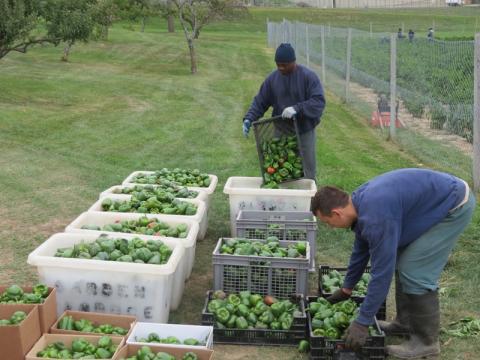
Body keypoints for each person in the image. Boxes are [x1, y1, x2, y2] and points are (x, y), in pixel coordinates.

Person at [310, 168, 475, 358]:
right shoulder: (358, 203)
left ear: (337, 213)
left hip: (453, 206)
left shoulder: (376, 216)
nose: (330, 227)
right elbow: (360, 250)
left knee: (415, 271)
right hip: (433, 200)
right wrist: (347, 288)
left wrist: (362, 322)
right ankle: (404, 323)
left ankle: (427, 342)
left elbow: (382, 273)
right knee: (402, 262)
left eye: (328, 222)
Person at [242, 43, 326, 181]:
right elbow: (260, 101)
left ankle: (309, 199)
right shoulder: (272, 79)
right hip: (280, 130)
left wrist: (297, 108)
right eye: (278, 64)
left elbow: (318, 102)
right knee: (280, 169)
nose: (281, 67)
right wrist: (249, 118)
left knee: (307, 170)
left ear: (293, 62)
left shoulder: (308, 77)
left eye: (285, 65)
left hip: (303, 130)